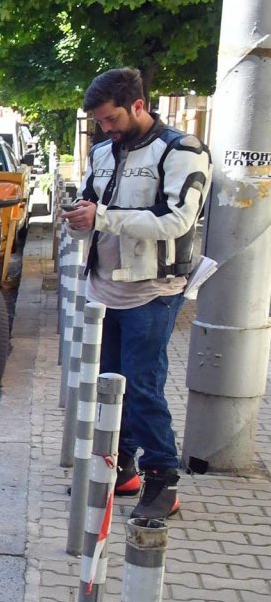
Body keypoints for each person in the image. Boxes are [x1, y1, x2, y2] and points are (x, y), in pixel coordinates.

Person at [60, 68, 210, 520]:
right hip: (106, 287)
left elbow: (176, 221)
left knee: (143, 388)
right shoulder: (104, 151)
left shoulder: (182, 151)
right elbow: (92, 201)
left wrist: (102, 218)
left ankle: (163, 480)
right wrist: (78, 213)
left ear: (138, 105)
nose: (106, 129)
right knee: (110, 386)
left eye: (111, 119)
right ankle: (121, 469)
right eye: (100, 122)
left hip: (154, 290)